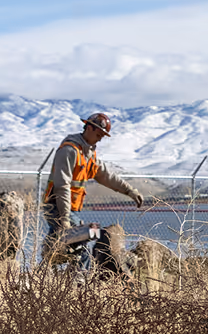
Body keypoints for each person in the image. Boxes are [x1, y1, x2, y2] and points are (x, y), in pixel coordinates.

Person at [41, 111, 147, 264]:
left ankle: (41, 275)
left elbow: (107, 176)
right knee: (83, 243)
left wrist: (130, 191)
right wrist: (64, 219)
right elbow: (62, 186)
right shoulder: (69, 151)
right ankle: (80, 282)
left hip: (71, 209)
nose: (100, 139)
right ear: (89, 127)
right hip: (57, 206)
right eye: (99, 134)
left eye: (103, 136)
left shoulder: (88, 154)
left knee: (57, 249)